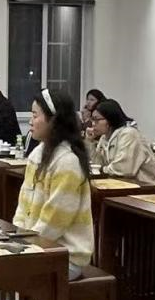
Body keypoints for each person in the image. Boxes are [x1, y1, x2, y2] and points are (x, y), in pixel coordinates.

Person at [13, 88, 94, 280]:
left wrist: (25, 246)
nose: (30, 121)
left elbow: (55, 220)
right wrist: (17, 237)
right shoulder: (36, 154)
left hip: (66, 255)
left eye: (35, 115)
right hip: (38, 246)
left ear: (54, 120)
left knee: (5, 273)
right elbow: (23, 206)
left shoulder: (67, 161)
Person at [89, 99, 155, 190]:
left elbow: (123, 169)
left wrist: (102, 169)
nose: (93, 124)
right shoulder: (104, 137)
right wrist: (90, 142)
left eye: (97, 120)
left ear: (110, 119)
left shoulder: (129, 134)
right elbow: (97, 165)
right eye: (92, 119)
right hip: (121, 185)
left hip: (147, 188)